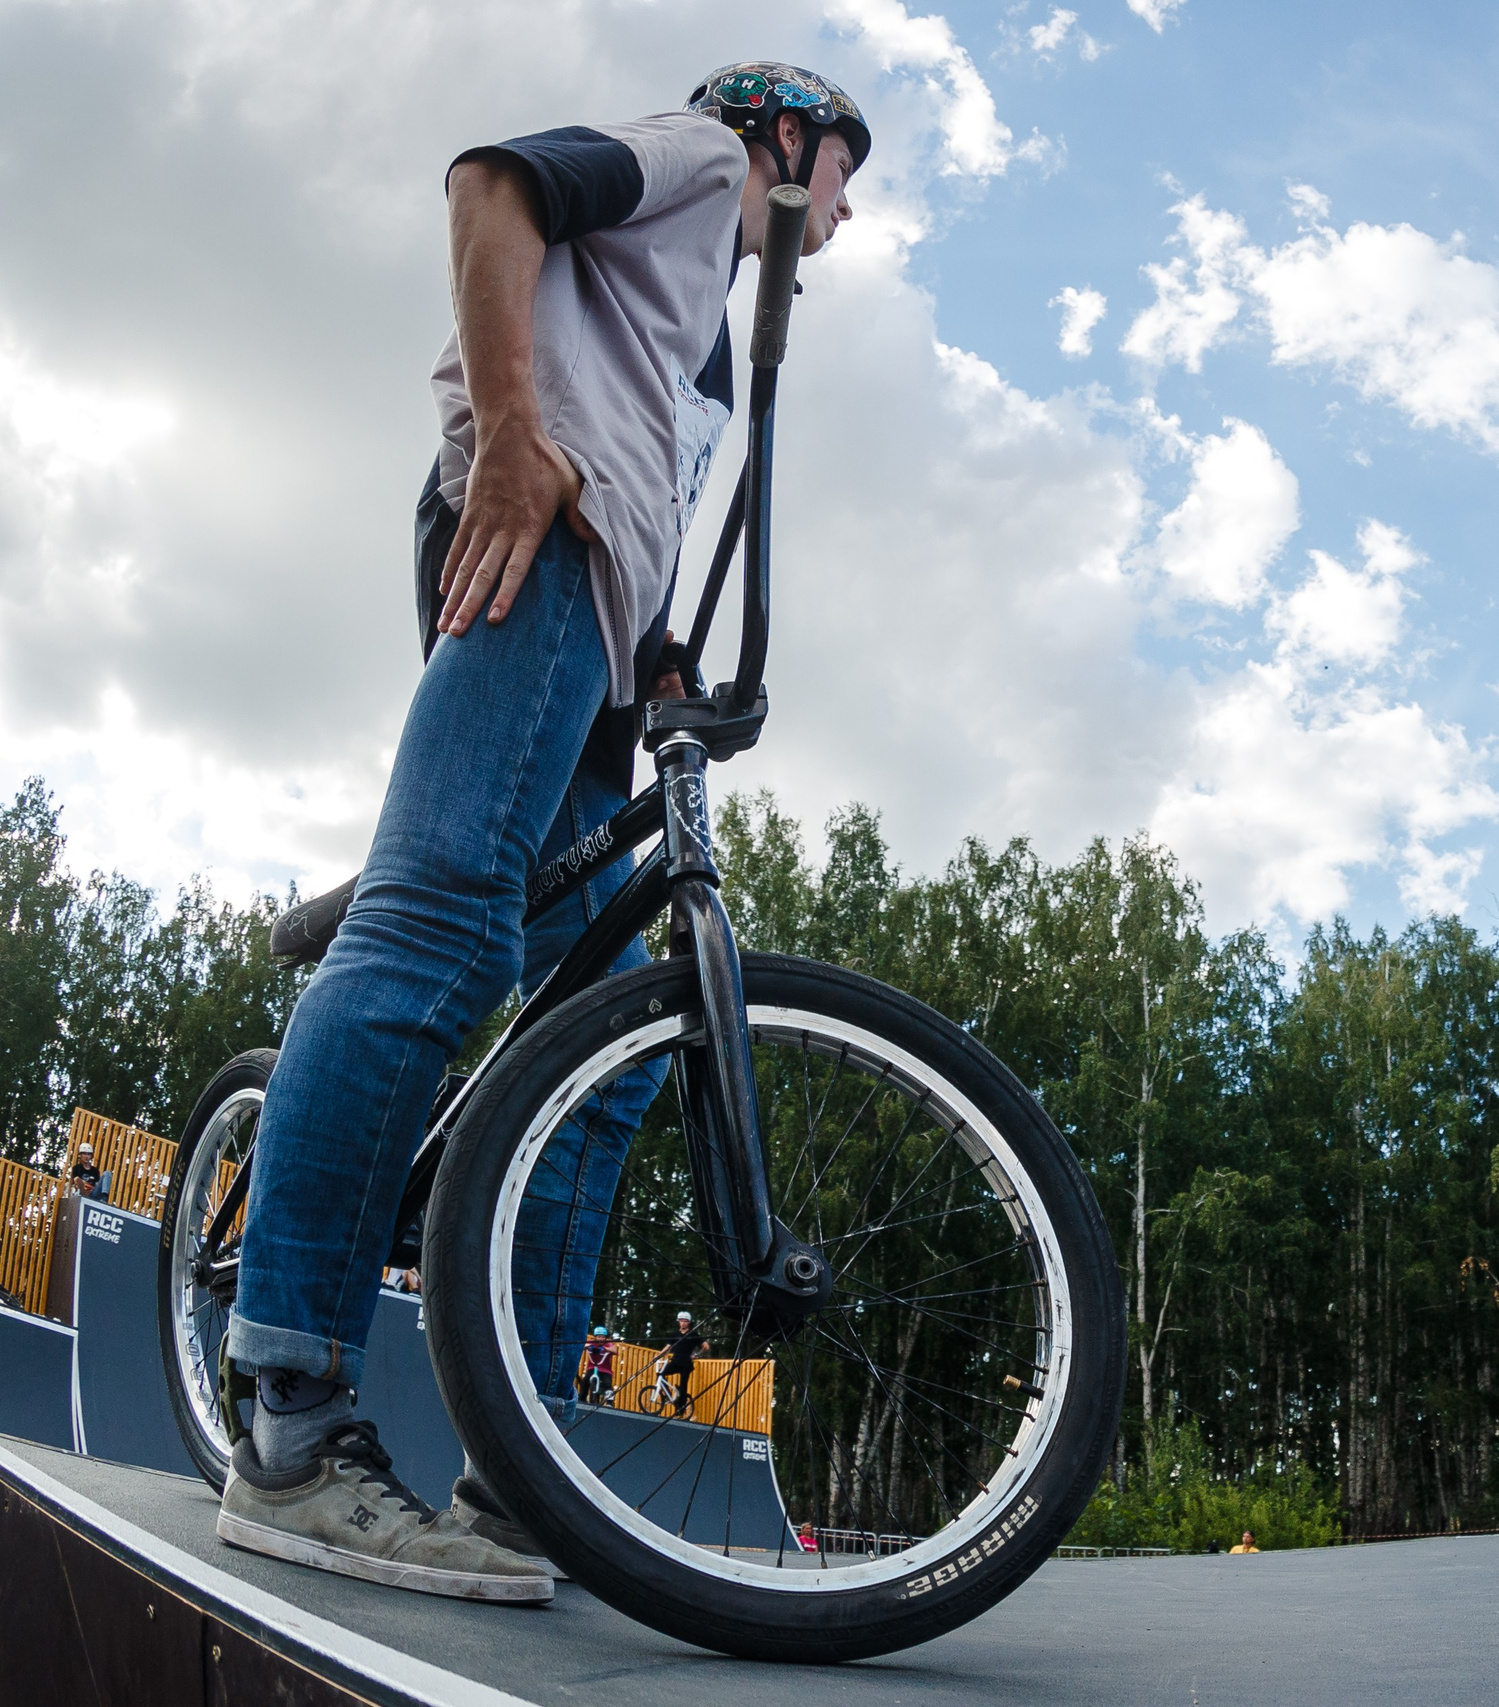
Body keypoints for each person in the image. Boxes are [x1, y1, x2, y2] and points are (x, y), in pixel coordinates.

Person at [214, 62, 871, 1603]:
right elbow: (491, 187)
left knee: (588, 1057)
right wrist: (511, 432)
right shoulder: (705, 159)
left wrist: (654, 657)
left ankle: (524, 1468)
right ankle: (293, 1433)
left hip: (597, 617)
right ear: (788, 131)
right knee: (437, 931)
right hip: (538, 545)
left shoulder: (700, 311)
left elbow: (637, 438)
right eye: (845, 170)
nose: (847, 211)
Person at [660, 1312, 710, 1418]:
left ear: (689, 1323)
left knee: (683, 1387)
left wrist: (697, 1354)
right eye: (681, 1321)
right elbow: (668, 1346)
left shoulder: (693, 1334)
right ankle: (668, 1396)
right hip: (675, 1362)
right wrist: (659, 1355)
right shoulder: (674, 1334)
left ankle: (680, 1411)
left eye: (685, 1321)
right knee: (660, 1373)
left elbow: (706, 1346)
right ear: (678, 1322)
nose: (683, 1323)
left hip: (686, 1364)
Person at [579, 1324, 616, 1406]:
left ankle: (609, 1402)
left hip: (605, 1370)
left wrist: (605, 1349)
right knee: (585, 1381)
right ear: (595, 1337)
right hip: (592, 1368)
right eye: (599, 1337)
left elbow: (614, 1350)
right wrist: (589, 1346)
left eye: (603, 1337)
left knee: (607, 1383)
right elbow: (583, 1346)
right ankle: (581, 1399)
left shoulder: (608, 1344)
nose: (601, 1339)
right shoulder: (592, 1342)